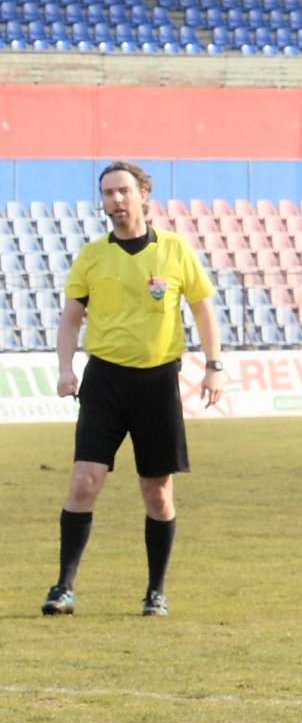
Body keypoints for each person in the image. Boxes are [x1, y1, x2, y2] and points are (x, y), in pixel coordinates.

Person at [46, 161, 225, 618]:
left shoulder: (175, 250)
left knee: (158, 492)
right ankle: (63, 588)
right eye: (108, 193)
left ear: (144, 194)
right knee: (85, 482)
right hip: (104, 381)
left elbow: (204, 310)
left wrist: (214, 366)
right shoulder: (91, 255)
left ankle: (156, 591)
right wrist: (66, 367)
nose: (116, 200)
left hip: (157, 382)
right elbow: (71, 317)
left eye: (124, 191)